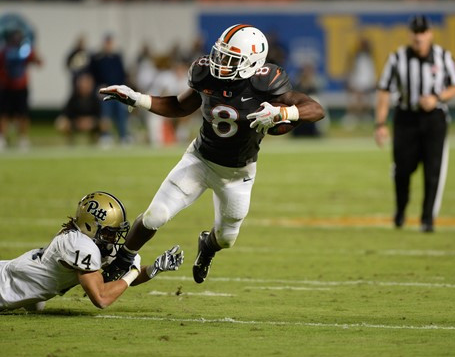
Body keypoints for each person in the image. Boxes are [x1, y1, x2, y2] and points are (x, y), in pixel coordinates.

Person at [98, 24, 325, 283]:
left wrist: (285, 112)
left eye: (231, 59)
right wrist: (137, 98)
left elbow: (315, 109)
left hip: (238, 173)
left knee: (226, 238)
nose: (221, 63)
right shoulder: (206, 73)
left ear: (253, 62)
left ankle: (207, 246)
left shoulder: (266, 81)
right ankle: (123, 258)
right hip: (199, 160)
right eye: (221, 54)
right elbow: (180, 106)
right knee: (155, 215)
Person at [0, 191, 183, 311]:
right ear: (90, 226)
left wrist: (153, 269)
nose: (113, 238)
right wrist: (133, 272)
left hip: (14, 279)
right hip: (3, 286)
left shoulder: (90, 242)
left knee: (36, 304)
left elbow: (120, 274)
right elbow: (101, 297)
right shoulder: (79, 244)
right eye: (109, 232)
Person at [374, 15, 455, 233]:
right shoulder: (397, 58)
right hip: (406, 118)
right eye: (415, 32)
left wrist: (437, 97)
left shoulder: (443, 57)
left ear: (430, 34)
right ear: (410, 34)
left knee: (433, 169)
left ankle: (427, 218)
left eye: (423, 32)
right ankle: (401, 209)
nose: (419, 36)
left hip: (434, 118)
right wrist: (380, 124)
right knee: (402, 168)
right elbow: (384, 90)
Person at [0, 28, 42, 150]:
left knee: (22, 114)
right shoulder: (5, 51)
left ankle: (23, 139)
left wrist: (34, 51)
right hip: (6, 86)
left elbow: (38, 62)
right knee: (4, 114)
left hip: (21, 87)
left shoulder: (25, 50)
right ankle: (2, 138)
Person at [89, 33, 129, 145]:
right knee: (105, 114)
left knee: (121, 113)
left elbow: (122, 75)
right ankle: (106, 136)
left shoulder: (117, 58)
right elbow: (93, 76)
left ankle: (123, 136)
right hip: (104, 92)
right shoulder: (97, 59)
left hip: (118, 91)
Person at [54, 72, 101, 145]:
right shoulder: (73, 98)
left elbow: (99, 115)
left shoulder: (95, 98)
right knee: (61, 123)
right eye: (82, 84)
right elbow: (66, 113)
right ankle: (70, 142)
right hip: (76, 123)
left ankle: (96, 141)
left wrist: (90, 121)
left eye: (87, 84)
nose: (84, 86)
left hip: (91, 123)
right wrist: (78, 121)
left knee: (105, 123)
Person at [342, 38, 376, 131]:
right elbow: (351, 70)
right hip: (356, 82)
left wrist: (371, 83)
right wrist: (350, 81)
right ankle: (352, 119)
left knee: (366, 102)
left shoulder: (369, 58)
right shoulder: (355, 57)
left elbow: (370, 72)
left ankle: (365, 118)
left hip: (366, 83)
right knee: (354, 102)